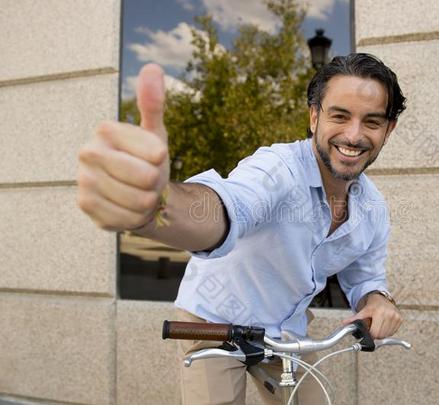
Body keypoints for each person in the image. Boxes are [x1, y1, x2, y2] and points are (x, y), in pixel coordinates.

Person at [77, 53, 406, 405]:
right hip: (216, 320)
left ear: (388, 130)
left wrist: (378, 300)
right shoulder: (278, 169)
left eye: (371, 122)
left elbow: (366, 278)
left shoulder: (372, 209)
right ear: (314, 117)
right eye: (339, 116)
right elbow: (229, 206)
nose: (354, 135)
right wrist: (158, 205)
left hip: (284, 331)